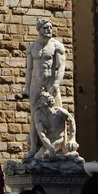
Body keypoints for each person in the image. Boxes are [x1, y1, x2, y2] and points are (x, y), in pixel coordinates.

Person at [23, 18, 66, 160]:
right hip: (36, 84)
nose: (49, 30)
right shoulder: (32, 48)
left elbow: (60, 68)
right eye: (46, 28)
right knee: (34, 116)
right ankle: (34, 149)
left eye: (50, 27)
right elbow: (29, 69)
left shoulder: (57, 46)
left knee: (57, 114)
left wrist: (56, 84)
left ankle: (62, 148)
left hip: (51, 83)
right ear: (39, 30)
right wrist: (26, 87)